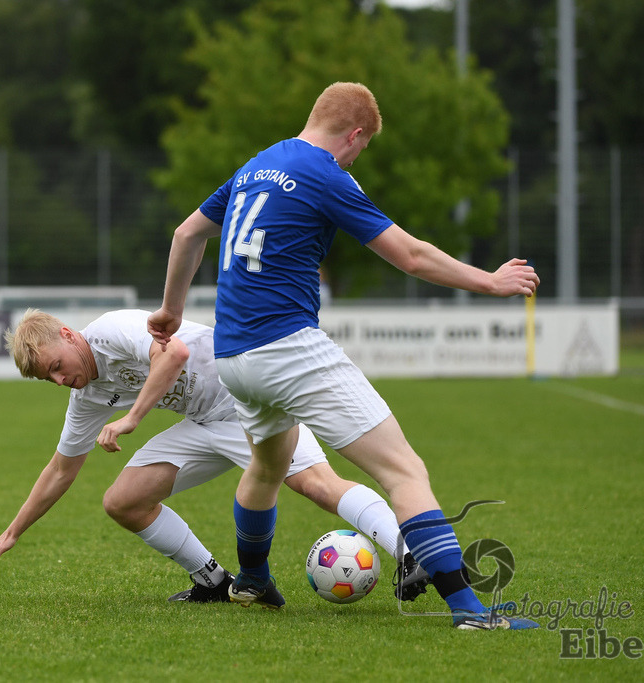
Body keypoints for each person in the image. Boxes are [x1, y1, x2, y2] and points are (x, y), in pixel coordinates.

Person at [148, 82, 540, 630]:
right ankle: (469, 611)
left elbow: (187, 232)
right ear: (354, 134)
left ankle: (253, 580)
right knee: (405, 471)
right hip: (289, 348)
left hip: (233, 356)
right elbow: (410, 255)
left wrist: (170, 311)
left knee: (268, 466)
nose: (357, 158)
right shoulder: (324, 172)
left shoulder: (256, 166)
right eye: (363, 147)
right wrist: (490, 282)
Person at [0, 308, 431, 605]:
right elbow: (60, 469)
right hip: (205, 422)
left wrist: (132, 418)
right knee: (122, 501)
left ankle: (411, 553)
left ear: (68, 335)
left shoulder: (110, 331)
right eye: (47, 379)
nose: (59, 380)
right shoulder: (86, 395)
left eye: (55, 366)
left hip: (248, 398)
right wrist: (13, 531)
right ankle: (211, 580)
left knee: (315, 484)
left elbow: (174, 354)